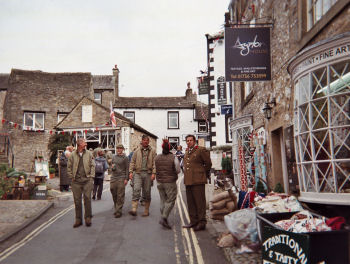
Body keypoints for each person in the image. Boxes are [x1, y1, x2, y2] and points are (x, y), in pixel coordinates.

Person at [182, 134, 212, 231]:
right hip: (188, 180)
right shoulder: (187, 151)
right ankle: (193, 221)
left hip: (198, 180)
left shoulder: (201, 150)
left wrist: (203, 172)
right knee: (191, 202)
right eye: (187, 140)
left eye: (190, 140)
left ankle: (202, 222)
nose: (189, 142)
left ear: (194, 141)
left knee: (200, 202)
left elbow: (208, 163)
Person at [67, 138, 95, 228]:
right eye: (84, 142)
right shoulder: (72, 155)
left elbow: (92, 165)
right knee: (77, 201)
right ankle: (78, 220)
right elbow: (69, 167)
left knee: (87, 199)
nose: (86, 144)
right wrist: (71, 177)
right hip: (76, 182)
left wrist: (91, 177)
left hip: (87, 180)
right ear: (79, 145)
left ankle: (88, 218)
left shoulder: (89, 154)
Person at [155, 139, 181, 229]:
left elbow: (156, 168)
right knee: (171, 200)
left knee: (163, 200)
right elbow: (178, 170)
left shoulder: (157, 157)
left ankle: (164, 219)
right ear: (169, 148)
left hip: (159, 182)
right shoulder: (173, 157)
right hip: (170, 182)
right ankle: (164, 218)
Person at [129, 134, 156, 217]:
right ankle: (134, 209)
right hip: (138, 173)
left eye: (147, 140)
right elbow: (132, 162)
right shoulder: (136, 151)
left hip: (148, 173)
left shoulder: (152, 151)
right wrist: (130, 172)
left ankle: (146, 211)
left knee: (147, 192)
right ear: (142, 141)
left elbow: (154, 163)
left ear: (148, 141)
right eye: (144, 140)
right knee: (136, 189)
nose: (145, 142)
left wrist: (154, 173)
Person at [110, 144, 129, 218]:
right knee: (113, 191)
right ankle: (116, 207)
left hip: (121, 177)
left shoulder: (125, 158)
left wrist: (126, 179)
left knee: (120, 194)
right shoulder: (113, 157)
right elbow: (111, 167)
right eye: (117, 148)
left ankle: (118, 211)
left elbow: (127, 168)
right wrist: (112, 168)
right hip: (114, 177)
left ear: (122, 149)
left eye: (120, 148)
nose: (118, 149)